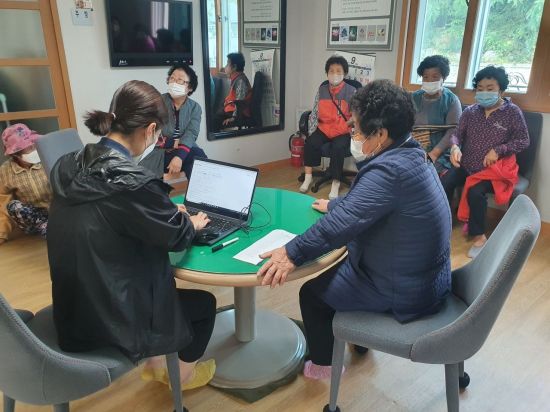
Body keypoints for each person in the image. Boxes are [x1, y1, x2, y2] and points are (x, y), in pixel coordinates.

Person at [258, 80, 451, 380]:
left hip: (402, 289)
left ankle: (323, 366)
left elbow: (336, 229)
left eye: (358, 130)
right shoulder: (412, 154)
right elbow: (372, 202)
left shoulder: (389, 171)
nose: (354, 136)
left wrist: (290, 253)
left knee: (312, 295)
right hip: (422, 276)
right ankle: (360, 342)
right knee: (338, 270)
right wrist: (336, 205)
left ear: (381, 134)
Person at [47, 80, 217, 390]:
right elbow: (176, 238)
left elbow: (109, 216)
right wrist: (189, 223)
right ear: (150, 130)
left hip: (74, 309)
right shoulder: (134, 182)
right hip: (115, 319)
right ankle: (181, 376)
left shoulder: (68, 164)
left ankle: (155, 363)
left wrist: (161, 211)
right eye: (158, 134)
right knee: (204, 305)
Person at [442, 66, 529, 258]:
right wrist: (455, 147)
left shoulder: (512, 112)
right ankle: (443, 222)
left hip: (493, 170)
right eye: (480, 89)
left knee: (475, 191)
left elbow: (523, 140)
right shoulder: (471, 111)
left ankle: (479, 237)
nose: (484, 93)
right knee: (445, 182)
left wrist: (498, 150)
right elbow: (457, 134)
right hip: (467, 164)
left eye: (490, 88)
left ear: (501, 90)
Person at [299, 55, 357, 200]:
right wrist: (311, 132)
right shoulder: (322, 90)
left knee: (338, 147)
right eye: (331, 71)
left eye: (338, 71)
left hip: (342, 130)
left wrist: (348, 127)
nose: (335, 74)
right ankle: (308, 177)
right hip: (324, 127)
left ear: (344, 73)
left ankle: (336, 183)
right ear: (327, 73)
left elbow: (356, 116)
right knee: (311, 142)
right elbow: (314, 112)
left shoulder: (352, 91)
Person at [0, 123, 51, 244]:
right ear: (16, 154)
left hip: (56, 211)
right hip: (31, 218)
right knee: (13, 206)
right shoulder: (6, 171)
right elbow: (2, 204)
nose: (34, 147)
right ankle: (46, 227)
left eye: (33, 144)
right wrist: (1, 233)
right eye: (29, 147)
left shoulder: (47, 158)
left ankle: (51, 226)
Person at [412, 55, 462, 176]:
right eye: (426, 77)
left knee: (423, 174)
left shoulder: (451, 100)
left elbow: (453, 131)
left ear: (443, 78)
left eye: (435, 77)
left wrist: (434, 154)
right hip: (415, 147)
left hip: (440, 151)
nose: (430, 81)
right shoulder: (414, 97)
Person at [160, 63, 207, 177]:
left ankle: (197, 189)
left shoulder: (195, 107)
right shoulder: (158, 102)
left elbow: (191, 133)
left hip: (183, 150)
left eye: (180, 80)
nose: (174, 83)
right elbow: (149, 133)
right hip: (160, 151)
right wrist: (173, 143)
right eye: (172, 78)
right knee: (197, 155)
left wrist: (179, 156)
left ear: (190, 87)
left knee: (199, 158)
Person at [215, 52, 252, 129]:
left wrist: (234, 118)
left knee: (213, 121)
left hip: (239, 113)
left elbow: (240, 102)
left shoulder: (240, 81)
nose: (225, 67)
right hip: (231, 109)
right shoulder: (236, 79)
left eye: (227, 64)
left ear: (234, 67)